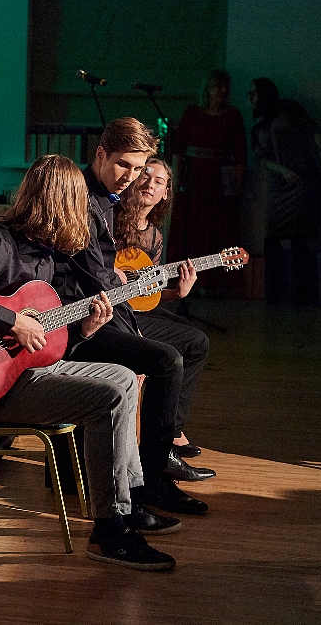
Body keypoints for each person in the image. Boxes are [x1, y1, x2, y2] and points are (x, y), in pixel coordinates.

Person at [0, 154, 178, 570]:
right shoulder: (0, 242)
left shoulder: (48, 254)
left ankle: (125, 506)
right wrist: (11, 320)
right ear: (58, 201)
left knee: (122, 377)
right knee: (110, 395)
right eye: (76, 202)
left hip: (27, 372)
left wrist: (81, 332)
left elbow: (46, 342)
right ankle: (111, 529)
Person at [59, 118, 213, 516]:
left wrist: (164, 292)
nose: (131, 177)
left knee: (175, 351)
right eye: (124, 165)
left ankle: (151, 473)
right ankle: (153, 480)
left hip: (99, 312)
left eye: (139, 169)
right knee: (164, 359)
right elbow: (90, 275)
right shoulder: (83, 198)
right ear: (100, 154)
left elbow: (108, 281)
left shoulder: (106, 200)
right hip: (75, 324)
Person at [112, 157, 212, 462]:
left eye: (159, 182)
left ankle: (172, 429)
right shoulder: (111, 219)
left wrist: (176, 292)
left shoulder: (154, 236)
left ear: (165, 193)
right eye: (145, 175)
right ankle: (161, 438)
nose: (150, 184)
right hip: (111, 312)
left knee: (198, 342)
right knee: (167, 354)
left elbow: (146, 296)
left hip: (135, 308)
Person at [248, 77, 321, 304]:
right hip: (280, 182)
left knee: (298, 234)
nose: (250, 98)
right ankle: (274, 291)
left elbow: (312, 128)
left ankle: (304, 292)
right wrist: (282, 170)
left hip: (303, 178)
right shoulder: (259, 127)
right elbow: (262, 158)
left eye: (254, 93)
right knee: (272, 235)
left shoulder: (289, 109)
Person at [168, 69, 247, 296]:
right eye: (216, 86)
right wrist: (175, 181)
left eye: (225, 87)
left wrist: (236, 187)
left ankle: (215, 284)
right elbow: (178, 150)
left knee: (217, 232)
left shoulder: (233, 116)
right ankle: (185, 282)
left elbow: (241, 156)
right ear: (207, 89)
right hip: (192, 181)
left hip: (218, 183)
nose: (221, 91)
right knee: (190, 231)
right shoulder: (192, 113)